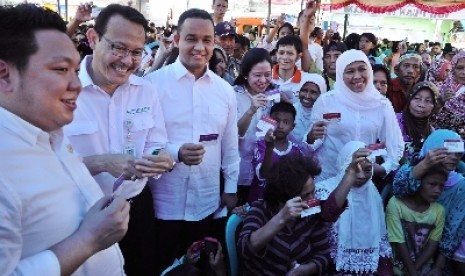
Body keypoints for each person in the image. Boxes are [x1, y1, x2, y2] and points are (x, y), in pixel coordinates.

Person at [0, 4, 129, 275]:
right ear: (5, 75)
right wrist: (88, 241)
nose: (77, 85)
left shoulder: (50, 133)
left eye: (74, 70)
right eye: (60, 70)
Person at [62, 4, 175, 275]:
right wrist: (100, 163)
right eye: (119, 48)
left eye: (136, 52)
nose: (126, 60)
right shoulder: (63, 90)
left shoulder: (145, 91)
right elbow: (44, 166)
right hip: (78, 217)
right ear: (92, 39)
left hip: (136, 209)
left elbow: (156, 143)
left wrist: (160, 159)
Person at [144, 9, 240, 273]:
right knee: (162, 268)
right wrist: (175, 153)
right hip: (163, 203)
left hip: (207, 202)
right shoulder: (152, 86)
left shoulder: (224, 91)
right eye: (191, 38)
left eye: (207, 40)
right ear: (176, 40)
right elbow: (141, 143)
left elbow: (229, 144)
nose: (200, 47)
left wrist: (231, 187)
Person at [306, 49, 404, 182]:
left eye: (362, 69)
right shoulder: (326, 101)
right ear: (341, 74)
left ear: (369, 70)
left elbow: (395, 145)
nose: (357, 76)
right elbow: (312, 142)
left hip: (361, 181)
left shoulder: (382, 104)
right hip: (329, 178)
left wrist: (382, 168)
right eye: (350, 71)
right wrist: (311, 137)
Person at [238, 153, 345, 275]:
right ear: (283, 198)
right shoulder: (261, 209)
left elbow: (324, 254)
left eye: (313, 192)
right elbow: (244, 249)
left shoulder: (311, 212)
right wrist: (281, 219)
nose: (312, 198)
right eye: (305, 195)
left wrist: (306, 270)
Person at [393, 129, 465, 275]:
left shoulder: (460, 185)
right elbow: (398, 191)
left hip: (437, 254)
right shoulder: (410, 168)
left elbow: (453, 229)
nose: (454, 158)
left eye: (458, 153)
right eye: (447, 152)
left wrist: (438, 266)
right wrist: (425, 164)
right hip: (401, 247)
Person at [315, 141, 393, 275]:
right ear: (345, 165)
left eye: (367, 170)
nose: (361, 176)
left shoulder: (373, 195)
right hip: (331, 266)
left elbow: (379, 248)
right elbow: (328, 214)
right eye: (356, 169)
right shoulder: (324, 188)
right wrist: (350, 175)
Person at [388, 161, 447, 275]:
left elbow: (432, 244)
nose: (437, 190)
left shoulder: (439, 211)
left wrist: (414, 271)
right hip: (397, 265)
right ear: (417, 182)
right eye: (432, 184)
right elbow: (399, 242)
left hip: (423, 266)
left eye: (441, 186)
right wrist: (412, 272)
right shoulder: (396, 204)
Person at [234, 48, 275, 204]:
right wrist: (251, 110)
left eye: (267, 75)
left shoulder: (274, 95)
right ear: (245, 74)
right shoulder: (234, 96)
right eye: (257, 75)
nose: (263, 80)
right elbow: (235, 133)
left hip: (265, 171)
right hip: (239, 171)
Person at [248, 102, 305, 203]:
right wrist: (269, 148)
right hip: (260, 202)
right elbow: (264, 174)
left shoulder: (296, 150)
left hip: (283, 204)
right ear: (269, 121)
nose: (280, 126)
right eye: (276, 121)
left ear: (293, 126)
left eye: (286, 122)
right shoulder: (261, 145)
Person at [396, 81, 439, 162]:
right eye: (417, 98)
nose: (421, 105)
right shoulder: (394, 121)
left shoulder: (432, 133)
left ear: (434, 106)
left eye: (428, 101)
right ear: (409, 99)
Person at [433, 50, 465, 135]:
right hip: (440, 139)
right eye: (460, 68)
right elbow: (428, 117)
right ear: (453, 69)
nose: (464, 72)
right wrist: (441, 102)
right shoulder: (441, 89)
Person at [291, 73, 327, 142]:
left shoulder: (325, 114)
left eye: (313, 92)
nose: (307, 96)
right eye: (304, 90)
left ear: (321, 94)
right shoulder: (291, 111)